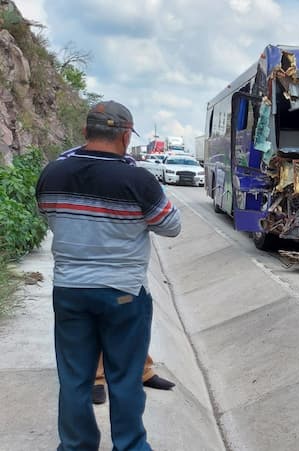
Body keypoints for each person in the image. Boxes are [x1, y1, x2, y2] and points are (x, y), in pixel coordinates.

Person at [36, 101, 181, 451]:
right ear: (127, 135)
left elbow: (48, 215)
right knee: (125, 379)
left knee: (74, 379)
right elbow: (171, 226)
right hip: (123, 293)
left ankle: (75, 446)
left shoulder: (52, 173)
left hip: (70, 290)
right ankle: (130, 446)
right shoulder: (139, 180)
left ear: (85, 132)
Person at [58, 143, 177, 406]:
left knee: (134, 323)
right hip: (89, 267)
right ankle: (97, 379)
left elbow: (167, 222)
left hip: (125, 269)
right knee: (102, 323)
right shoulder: (71, 165)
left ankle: (143, 370)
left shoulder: (126, 168)